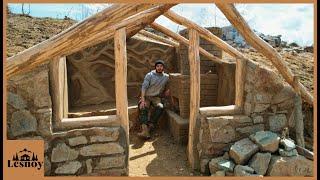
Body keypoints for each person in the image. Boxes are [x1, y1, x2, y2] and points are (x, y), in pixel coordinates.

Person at [137, 59, 170, 139]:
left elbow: (171, 83)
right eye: (157, 66)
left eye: (161, 66)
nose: (159, 68)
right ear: (155, 67)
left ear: (163, 68)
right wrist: (143, 100)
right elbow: (144, 87)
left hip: (156, 97)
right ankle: (144, 129)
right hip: (147, 96)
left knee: (160, 107)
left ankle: (150, 125)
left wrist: (168, 89)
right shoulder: (150, 75)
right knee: (143, 107)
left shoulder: (166, 77)